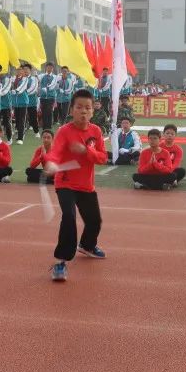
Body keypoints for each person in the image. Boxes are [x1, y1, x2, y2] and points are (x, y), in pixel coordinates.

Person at [44, 88, 107, 282]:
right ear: (71, 109)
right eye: (79, 107)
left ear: (92, 111)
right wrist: (52, 162)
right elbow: (56, 152)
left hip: (86, 186)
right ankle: (61, 261)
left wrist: (86, 151)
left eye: (87, 108)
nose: (83, 111)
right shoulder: (64, 131)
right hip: (65, 183)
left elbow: (103, 158)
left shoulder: (96, 131)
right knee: (69, 217)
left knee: (95, 221)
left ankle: (87, 245)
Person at [39, 62, 58, 130]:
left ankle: (49, 127)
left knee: (49, 112)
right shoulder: (41, 76)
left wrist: (46, 88)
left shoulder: (55, 77)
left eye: (51, 67)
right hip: (43, 97)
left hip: (51, 97)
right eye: (48, 67)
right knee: (44, 112)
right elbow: (37, 81)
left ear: (53, 69)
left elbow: (53, 86)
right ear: (46, 68)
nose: (49, 68)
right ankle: (44, 127)